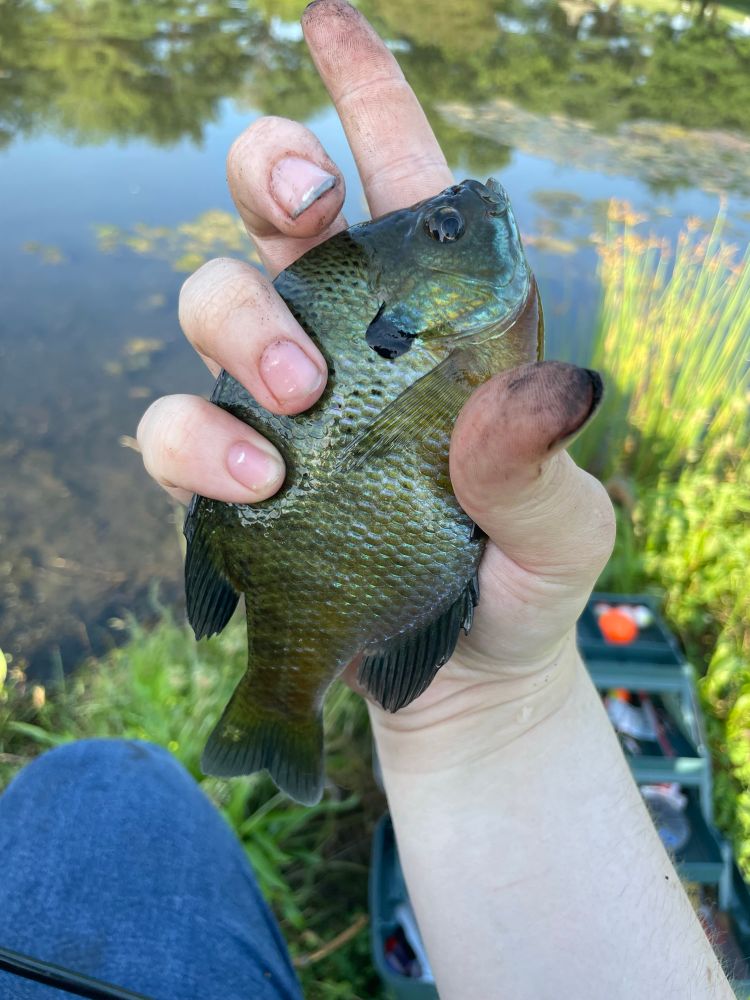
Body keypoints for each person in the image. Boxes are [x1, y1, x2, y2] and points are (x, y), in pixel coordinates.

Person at [0, 2, 735, 997]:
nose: (472, 211)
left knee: (93, 786)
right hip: (403, 600)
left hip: (432, 625)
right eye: (445, 226)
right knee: (109, 792)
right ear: (413, 295)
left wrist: (504, 707)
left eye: (447, 222)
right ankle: (277, 699)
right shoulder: (445, 323)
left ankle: (273, 701)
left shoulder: (444, 325)